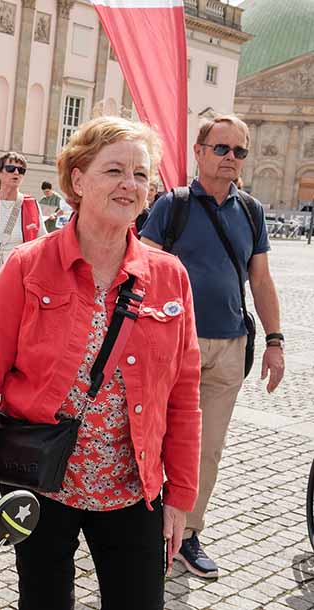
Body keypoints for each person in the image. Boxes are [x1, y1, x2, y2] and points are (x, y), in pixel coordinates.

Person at [0, 116, 201, 610]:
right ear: (79, 179)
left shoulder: (170, 276)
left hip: (133, 489)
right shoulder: (27, 266)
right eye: (114, 170)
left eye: (140, 173)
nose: (129, 184)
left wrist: (180, 496)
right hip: (42, 487)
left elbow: (184, 394)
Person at [139, 114, 284, 580]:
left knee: (207, 449)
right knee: (151, 438)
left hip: (230, 345)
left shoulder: (251, 211)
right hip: (173, 344)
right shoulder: (173, 205)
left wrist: (275, 340)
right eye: (221, 148)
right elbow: (142, 268)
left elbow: (261, 280)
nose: (230, 158)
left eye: (239, 151)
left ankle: (187, 533)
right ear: (199, 152)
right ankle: (141, 530)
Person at [0, 152, 47, 268]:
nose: (16, 172)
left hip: (19, 267)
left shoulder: (31, 204)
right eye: (10, 168)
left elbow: (42, 240)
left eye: (21, 170)